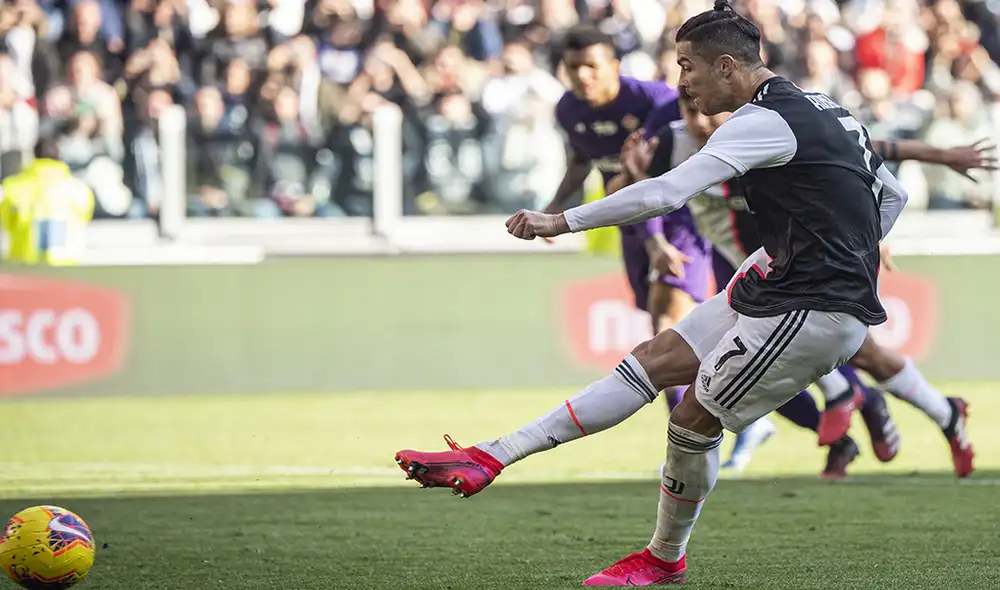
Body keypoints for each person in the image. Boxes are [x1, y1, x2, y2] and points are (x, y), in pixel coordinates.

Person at [396, 2, 911, 583]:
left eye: (687, 66)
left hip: (811, 305)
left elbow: (664, 193)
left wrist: (560, 221)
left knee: (691, 422)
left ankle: (664, 559)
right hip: (788, 281)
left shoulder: (761, 121)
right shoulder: (827, 108)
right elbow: (893, 197)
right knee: (650, 362)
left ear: (725, 65)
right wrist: (813, 251)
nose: (681, 81)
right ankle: (492, 454)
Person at [616, 90, 895, 476]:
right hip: (734, 257)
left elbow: (856, 160)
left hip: (788, 259)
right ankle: (848, 419)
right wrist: (634, 178)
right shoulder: (672, 137)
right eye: (689, 111)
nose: (700, 121)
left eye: (707, 112)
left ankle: (867, 400)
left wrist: (869, 227)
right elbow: (639, 192)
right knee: (750, 368)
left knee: (819, 352)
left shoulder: (765, 132)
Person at [544, 24, 701, 412]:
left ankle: (685, 429)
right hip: (632, 223)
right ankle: (717, 406)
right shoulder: (568, 109)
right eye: (573, 67)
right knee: (661, 323)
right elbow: (582, 160)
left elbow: (647, 181)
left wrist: (658, 241)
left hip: (679, 219)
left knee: (668, 324)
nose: (583, 76)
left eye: (592, 66)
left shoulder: (656, 101)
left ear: (614, 65)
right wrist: (554, 207)